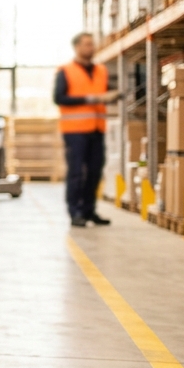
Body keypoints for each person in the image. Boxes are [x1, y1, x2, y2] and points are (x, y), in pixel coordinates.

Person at [54, 32, 120, 228]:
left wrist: (114, 95)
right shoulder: (65, 71)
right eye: (87, 45)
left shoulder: (101, 70)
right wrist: (92, 99)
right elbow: (59, 98)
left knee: (95, 171)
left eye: (92, 45)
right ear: (77, 47)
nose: (91, 48)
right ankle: (75, 212)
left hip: (97, 129)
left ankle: (89, 210)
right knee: (76, 173)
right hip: (75, 131)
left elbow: (106, 92)